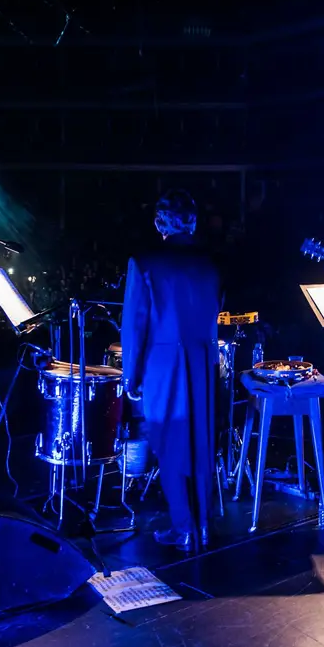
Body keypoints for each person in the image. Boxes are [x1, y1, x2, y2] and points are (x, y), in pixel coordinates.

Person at [121, 190, 222, 550]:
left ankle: (184, 528)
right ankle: (204, 524)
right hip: (204, 365)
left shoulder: (145, 263)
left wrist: (130, 377)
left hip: (164, 365)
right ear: (193, 221)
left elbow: (135, 327)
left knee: (167, 443)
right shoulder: (210, 263)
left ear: (158, 223)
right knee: (200, 443)